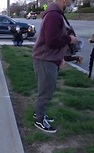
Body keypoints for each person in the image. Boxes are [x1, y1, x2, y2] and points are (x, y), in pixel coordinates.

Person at [32, 0, 78, 133]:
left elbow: (53, 38)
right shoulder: (54, 15)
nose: (72, 2)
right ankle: (39, 120)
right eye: (71, 0)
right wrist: (70, 39)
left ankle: (39, 113)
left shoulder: (55, 14)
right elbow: (51, 41)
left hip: (48, 58)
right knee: (46, 91)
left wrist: (61, 56)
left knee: (47, 89)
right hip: (46, 59)